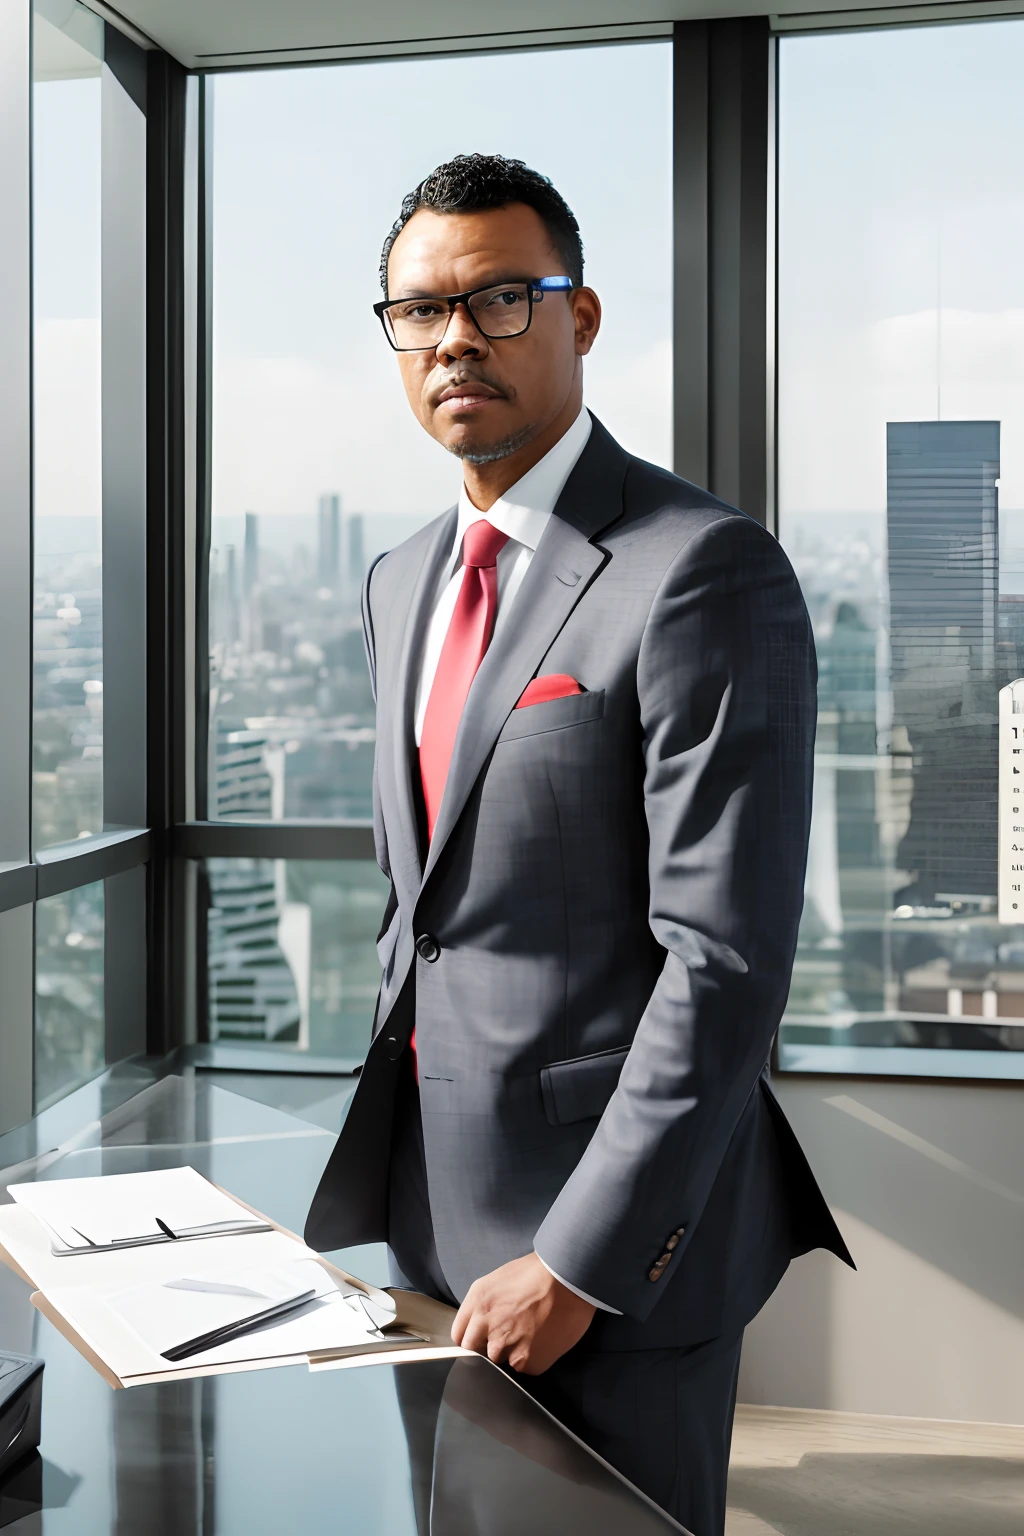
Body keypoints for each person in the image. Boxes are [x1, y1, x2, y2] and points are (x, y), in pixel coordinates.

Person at [305, 153, 853, 1536]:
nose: (453, 340)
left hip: (609, 1250)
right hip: (429, 1229)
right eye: (417, 312)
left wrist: (583, 1258)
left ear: (582, 317)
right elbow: (420, 905)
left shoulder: (702, 568)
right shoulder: (398, 581)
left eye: (499, 299)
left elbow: (723, 959)